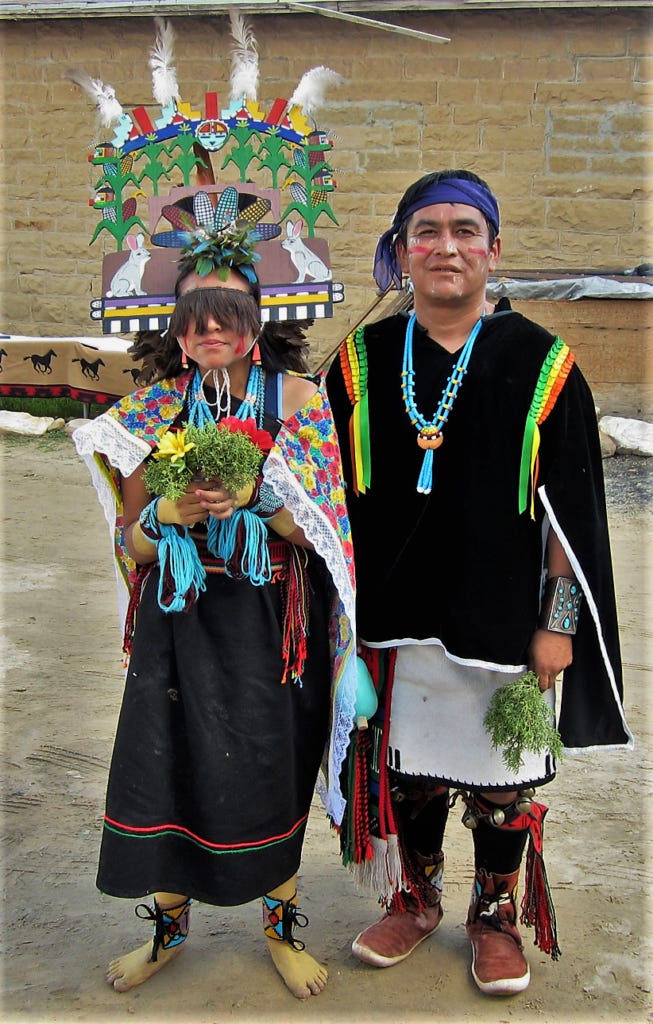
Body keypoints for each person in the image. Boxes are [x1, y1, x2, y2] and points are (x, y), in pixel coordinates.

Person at [325, 169, 632, 996]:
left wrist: (558, 622)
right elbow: (322, 490)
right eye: (425, 231)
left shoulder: (543, 362)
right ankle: (414, 896)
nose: (445, 246)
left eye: (465, 230)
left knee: (503, 781)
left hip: (501, 621)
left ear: (493, 251)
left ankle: (493, 915)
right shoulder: (359, 359)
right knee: (405, 773)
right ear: (400, 252)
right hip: (393, 618)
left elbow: (570, 514)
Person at [74, 225, 356, 1000]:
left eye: (227, 311)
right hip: (180, 618)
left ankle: (281, 928)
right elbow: (133, 544)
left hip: (269, 624)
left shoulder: (297, 401)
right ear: (174, 323)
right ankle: (166, 930)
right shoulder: (152, 410)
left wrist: (258, 497)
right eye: (194, 314)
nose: (210, 331)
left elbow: (322, 531)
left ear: (260, 316)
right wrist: (166, 513)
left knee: (270, 767)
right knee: (166, 768)